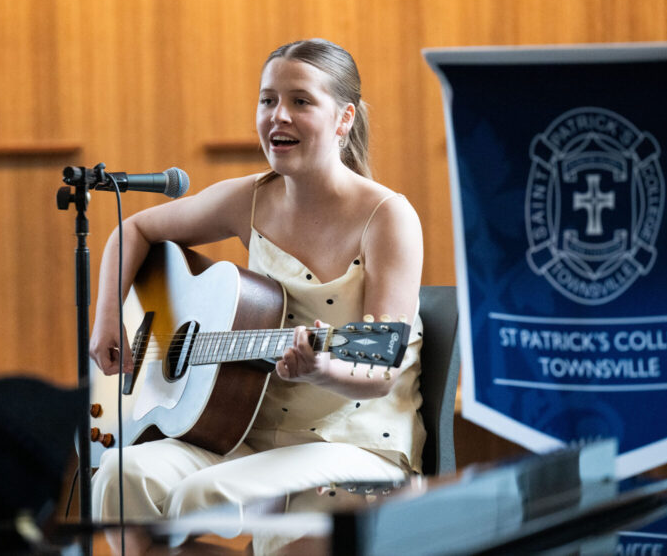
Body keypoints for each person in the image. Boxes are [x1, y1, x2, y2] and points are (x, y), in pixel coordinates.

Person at [89, 38, 425, 552]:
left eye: (300, 101)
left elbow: (380, 372)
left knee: (202, 494)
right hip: (247, 434)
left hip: (354, 442)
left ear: (344, 118)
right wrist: (109, 318)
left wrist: (320, 369)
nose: (277, 116)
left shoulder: (387, 217)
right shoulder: (250, 198)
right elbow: (132, 230)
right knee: (119, 477)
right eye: (268, 100)